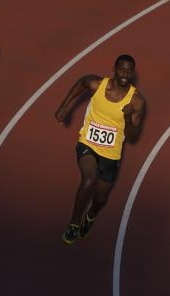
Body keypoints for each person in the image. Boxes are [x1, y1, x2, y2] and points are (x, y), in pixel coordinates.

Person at [53, 54, 146, 244]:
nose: (124, 74)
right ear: (114, 68)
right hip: (87, 143)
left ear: (133, 73)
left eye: (129, 71)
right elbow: (81, 83)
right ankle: (73, 224)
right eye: (121, 69)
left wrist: (127, 118)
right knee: (88, 180)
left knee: (100, 197)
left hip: (110, 154)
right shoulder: (98, 84)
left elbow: (133, 137)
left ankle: (92, 214)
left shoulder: (136, 101)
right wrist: (63, 107)